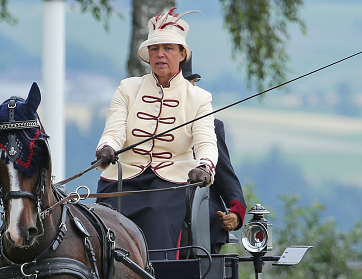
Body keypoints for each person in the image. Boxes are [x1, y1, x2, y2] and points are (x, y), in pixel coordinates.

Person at [94, 9, 218, 258]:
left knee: (158, 222)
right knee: (96, 231)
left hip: (169, 186)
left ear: (183, 54)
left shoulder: (199, 98)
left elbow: (207, 143)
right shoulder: (127, 88)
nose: (160, 54)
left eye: (169, 48)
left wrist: (205, 167)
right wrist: (106, 147)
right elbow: (114, 130)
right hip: (120, 181)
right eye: (154, 48)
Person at [182, 60, 248, 253]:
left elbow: (226, 177)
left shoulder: (212, 125)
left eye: (192, 84)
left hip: (199, 202)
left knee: (207, 214)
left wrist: (236, 213)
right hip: (161, 194)